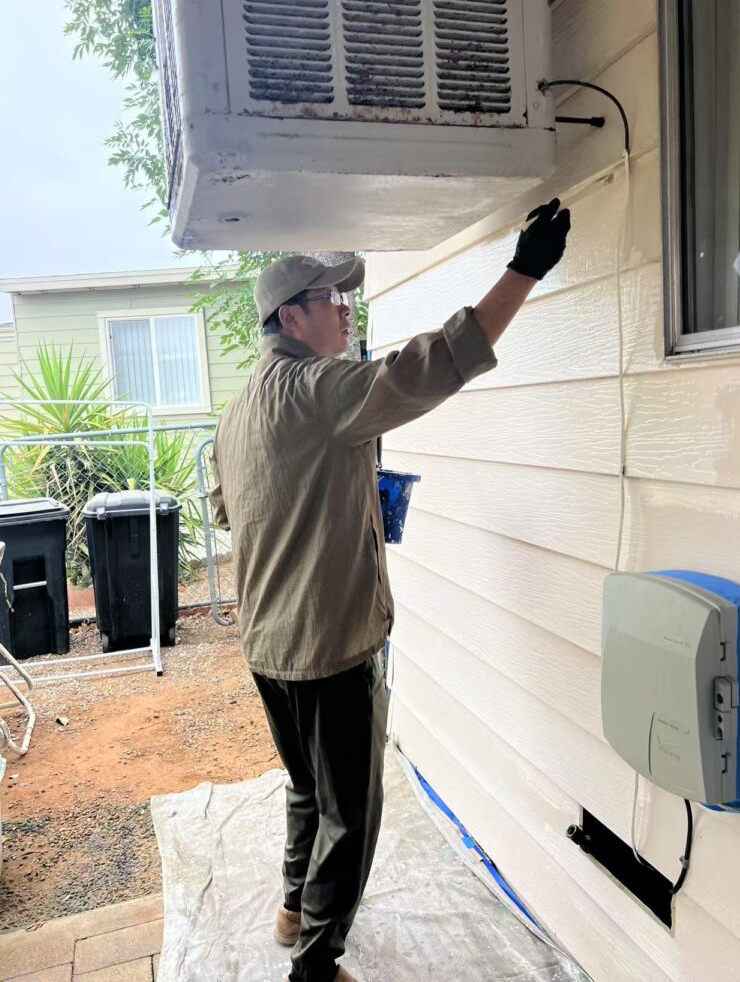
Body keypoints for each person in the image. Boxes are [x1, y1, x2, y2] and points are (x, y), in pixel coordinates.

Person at [210, 199, 572, 982]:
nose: (346, 310)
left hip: (268, 645)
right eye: (331, 299)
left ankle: (292, 909)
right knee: (352, 813)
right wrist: (524, 270)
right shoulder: (318, 389)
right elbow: (429, 366)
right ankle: (315, 967)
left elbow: (232, 509)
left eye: (347, 297)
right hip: (329, 645)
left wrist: (338, 498)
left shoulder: (237, 411)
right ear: (290, 317)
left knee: (308, 789)